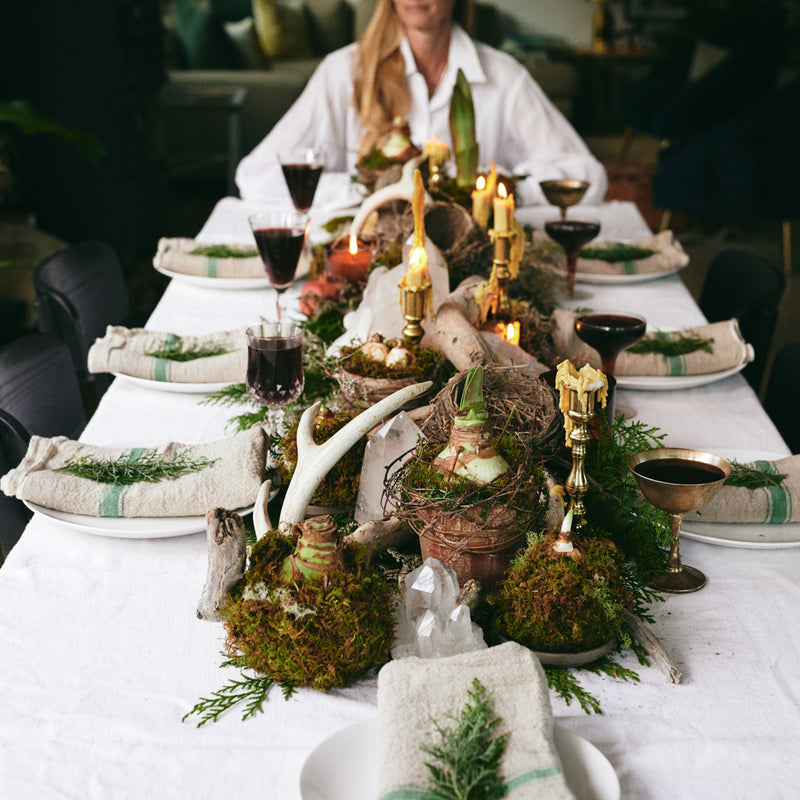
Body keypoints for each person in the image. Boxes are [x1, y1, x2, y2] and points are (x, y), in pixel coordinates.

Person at [235, 0, 607, 206]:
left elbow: (587, 176)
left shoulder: (504, 76)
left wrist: (499, 191)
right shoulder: (342, 72)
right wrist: (365, 191)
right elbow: (256, 175)